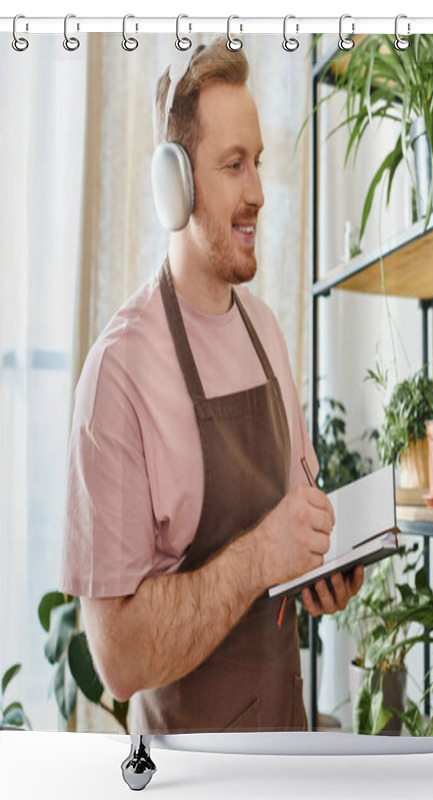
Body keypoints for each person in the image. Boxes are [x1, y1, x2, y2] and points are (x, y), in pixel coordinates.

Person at [59, 37, 363, 735]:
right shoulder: (120, 373)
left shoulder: (266, 330)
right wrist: (260, 555)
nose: (258, 191)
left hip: (286, 747)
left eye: (258, 162)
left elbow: (294, 519)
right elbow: (117, 658)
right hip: (186, 772)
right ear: (177, 185)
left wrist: (324, 567)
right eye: (233, 165)